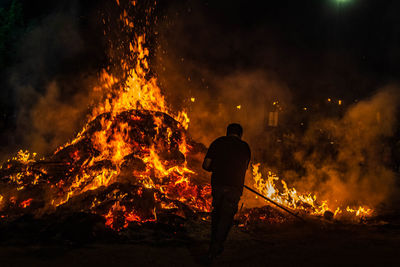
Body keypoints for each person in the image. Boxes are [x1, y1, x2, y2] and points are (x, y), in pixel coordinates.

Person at [202, 123, 251, 260]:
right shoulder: (245, 147)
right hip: (235, 187)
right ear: (240, 135)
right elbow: (244, 167)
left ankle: (213, 246)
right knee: (226, 218)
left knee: (216, 215)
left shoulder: (217, 142)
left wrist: (216, 169)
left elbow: (206, 165)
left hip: (218, 185)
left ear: (227, 132)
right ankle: (216, 247)